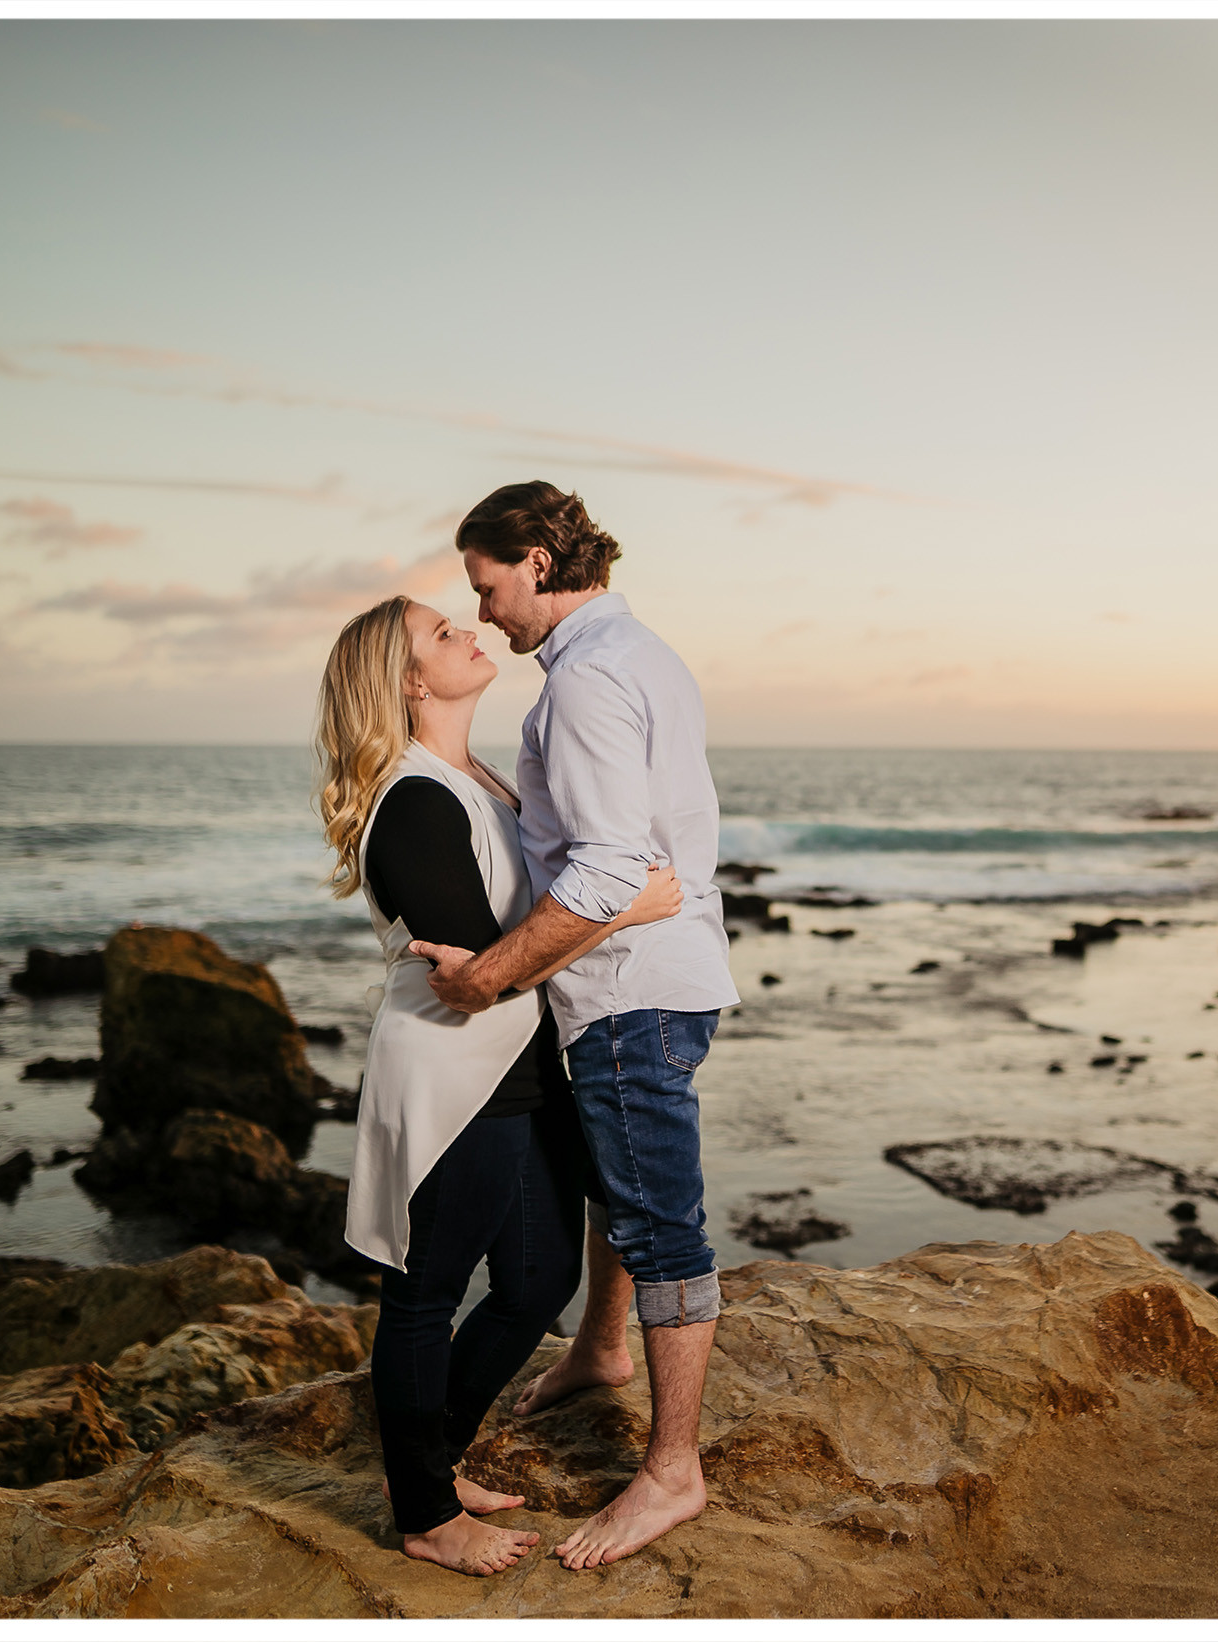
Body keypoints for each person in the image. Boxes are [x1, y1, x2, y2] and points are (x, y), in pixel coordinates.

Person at [409, 481, 741, 1572]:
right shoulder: (629, 654)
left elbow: (609, 866)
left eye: (489, 585)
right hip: (653, 977)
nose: (488, 613)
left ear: (540, 563)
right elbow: (609, 842)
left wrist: (486, 981)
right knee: (613, 1179)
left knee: (657, 1221)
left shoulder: (590, 679)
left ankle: (672, 1470)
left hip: (631, 989)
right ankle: (603, 1349)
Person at [316, 592, 681, 1576]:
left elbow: (522, 942)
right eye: (443, 634)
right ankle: (426, 1515)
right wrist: (627, 905)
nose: (470, 632)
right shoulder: (412, 797)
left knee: (535, 1285)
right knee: (425, 1294)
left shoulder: (477, 780)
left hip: (521, 1069)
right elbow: (483, 966)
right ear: (407, 682)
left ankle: (423, 1464)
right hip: (451, 1077)